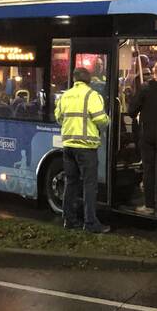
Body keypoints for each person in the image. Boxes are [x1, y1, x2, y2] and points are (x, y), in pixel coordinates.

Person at [55, 67, 111, 233]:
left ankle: (69, 220)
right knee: (89, 185)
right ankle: (90, 223)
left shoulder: (65, 95)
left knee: (71, 183)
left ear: (74, 79)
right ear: (89, 80)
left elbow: (59, 117)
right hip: (86, 148)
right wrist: (107, 121)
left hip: (68, 147)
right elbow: (100, 118)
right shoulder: (92, 95)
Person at [128, 61, 157, 210]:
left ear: (154, 72)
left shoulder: (146, 88)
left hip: (148, 135)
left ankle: (149, 205)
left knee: (149, 170)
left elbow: (132, 111)